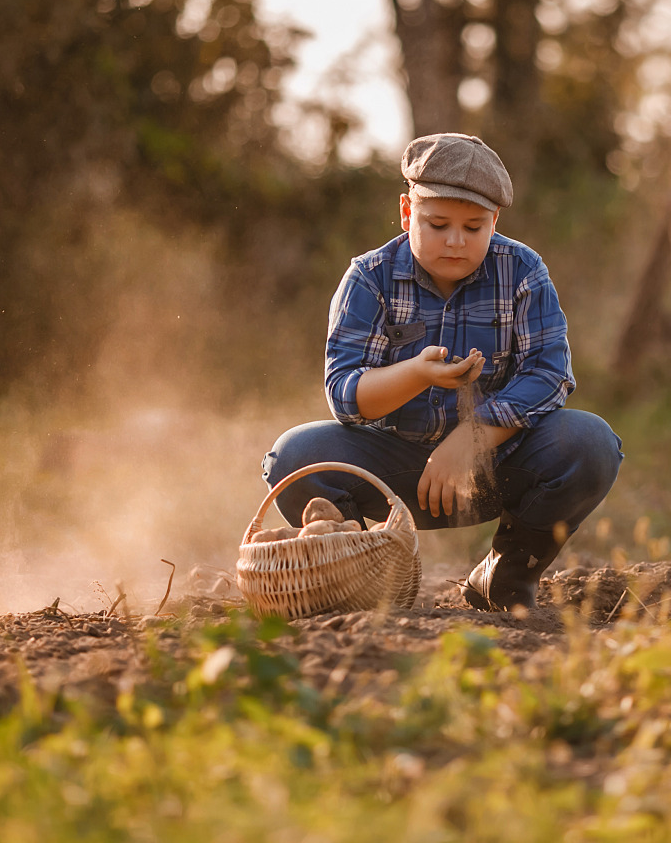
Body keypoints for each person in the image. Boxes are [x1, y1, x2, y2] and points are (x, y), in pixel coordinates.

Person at [260, 133, 623, 612]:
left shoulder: (523, 271)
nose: (456, 240)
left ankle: (506, 574)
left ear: (495, 221)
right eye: (437, 224)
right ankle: (366, 580)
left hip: (495, 464)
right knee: (295, 456)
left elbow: (549, 374)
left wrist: (470, 440)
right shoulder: (369, 277)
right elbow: (344, 393)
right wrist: (416, 373)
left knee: (590, 442)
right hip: (394, 467)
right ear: (408, 212)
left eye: (474, 227)